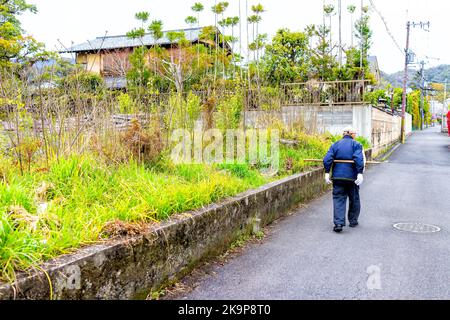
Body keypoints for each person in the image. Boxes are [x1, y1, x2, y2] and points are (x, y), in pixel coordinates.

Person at [323, 127, 365, 233]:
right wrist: (359, 173)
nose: (355, 135)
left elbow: (327, 159)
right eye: (355, 133)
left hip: (338, 177)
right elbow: (358, 159)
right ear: (351, 134)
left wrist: (327, 173)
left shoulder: (335, 144)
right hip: (352, 177)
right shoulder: (356, 145)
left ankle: (338, 223)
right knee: (354, 198)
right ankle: (353, 221)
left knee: (338, 198)